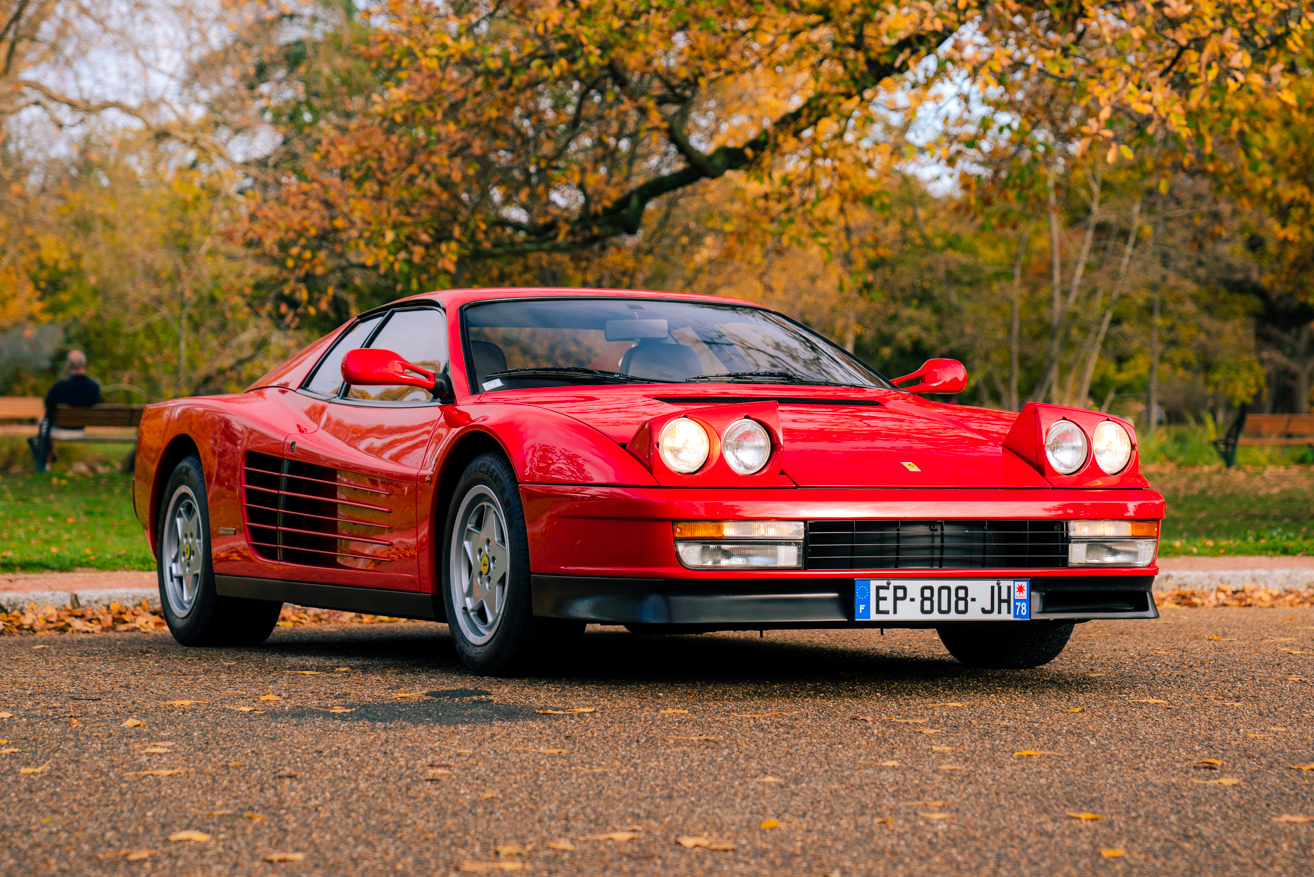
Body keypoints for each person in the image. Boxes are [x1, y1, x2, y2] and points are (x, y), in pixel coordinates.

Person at [28, 350, 101, 472]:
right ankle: (51, 456)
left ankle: (47, 463)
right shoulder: (93, 388)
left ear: (68, 365)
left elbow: (48, 406)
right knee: (45, 425)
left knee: (43, 424)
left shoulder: (60, 387)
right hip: (79, 430)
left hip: (59, 430)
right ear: (85, 364)